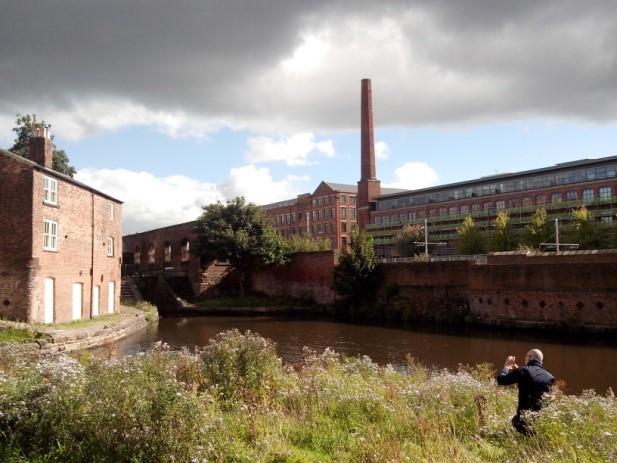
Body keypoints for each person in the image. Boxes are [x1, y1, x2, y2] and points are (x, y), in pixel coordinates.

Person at [496, 348, 555, 435]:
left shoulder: (524, 371)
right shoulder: (550, 377)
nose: (525, 359)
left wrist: (507, 366)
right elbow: (533, 381)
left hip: (522, 423)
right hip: (540, 424)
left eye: (526, 357)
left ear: (530, 357)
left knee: (513, 423)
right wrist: (518, 371)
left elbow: (501, 380)